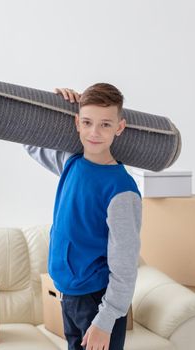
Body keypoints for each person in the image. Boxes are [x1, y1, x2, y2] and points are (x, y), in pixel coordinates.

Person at [25, 83, 142, 350]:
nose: (94, 133)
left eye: (105, 125)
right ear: (77, 123)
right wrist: (52, 104)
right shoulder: (71, 163)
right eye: (87, 122)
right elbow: (28, 142)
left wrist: (105, 321)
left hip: (97, 302)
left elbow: (125, 268)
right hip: (70, 297)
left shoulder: (122, 190)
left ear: (119, 128)